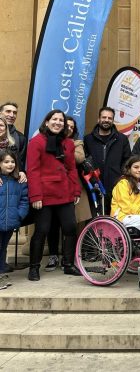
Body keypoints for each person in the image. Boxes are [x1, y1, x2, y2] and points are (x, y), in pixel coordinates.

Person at [27, 110, 82, 281]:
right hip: (44, 195)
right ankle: (34, 268)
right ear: (47, 122)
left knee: (70, 227)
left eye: (61, 120)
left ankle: (68, 264)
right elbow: (33, 170)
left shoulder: (68, 143)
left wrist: (76, 190)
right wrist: (35, 196)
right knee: (42, 230)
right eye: (54, 119)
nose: (58, 122)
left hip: (64, 193)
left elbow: (72, 169)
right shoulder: (36, 142)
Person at [45, 116, 92, 272]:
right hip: (52, 188)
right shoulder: (48, 140)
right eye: (67, 126)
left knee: (72, 225)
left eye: (72, 127)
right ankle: (53, 256)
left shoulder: (77, 143)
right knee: (52, 224)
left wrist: (66, 146)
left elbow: (79, 158)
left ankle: (70, 259)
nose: (69, 129)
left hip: (73, 188)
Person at [84, 107, 131, 214]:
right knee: (96, 219)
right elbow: (84, 163)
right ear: (98, 119)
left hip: (116, 187)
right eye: (104, 117)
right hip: (94, 187)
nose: (106, 120)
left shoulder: (122, 139)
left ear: (113, 120)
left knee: (115, 218)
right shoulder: (88, 139)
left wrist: (121, 178)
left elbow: (127, 161)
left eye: (110, 118)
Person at [0, 150, 29, 277]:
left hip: (11, 220)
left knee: (4, 246)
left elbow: (24, 200)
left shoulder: (19, 181)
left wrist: (19, 215)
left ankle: (2, 267)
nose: (10, 164)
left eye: (12, 162)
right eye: (6, 162)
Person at [0, 102, 27, 170]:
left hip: (11, 178)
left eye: (14, 113)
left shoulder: (21, 138)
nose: (12, 115)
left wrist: (21, 172)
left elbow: (20, 162)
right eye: (8, 111)